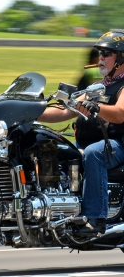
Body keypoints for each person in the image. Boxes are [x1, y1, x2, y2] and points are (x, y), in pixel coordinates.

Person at [38, 31, 124, 235]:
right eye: (99, 53)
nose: (100, 57)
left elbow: (120, 114)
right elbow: (63, 112)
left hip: (116, 145)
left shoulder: (122, 86)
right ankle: (55, 212)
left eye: (107, 53)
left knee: (95, 153)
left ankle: (96, 218)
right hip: (87, 143)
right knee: (53, 148)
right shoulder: (97, 87)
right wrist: (33, 112)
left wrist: (96, 107)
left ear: (121, 58)